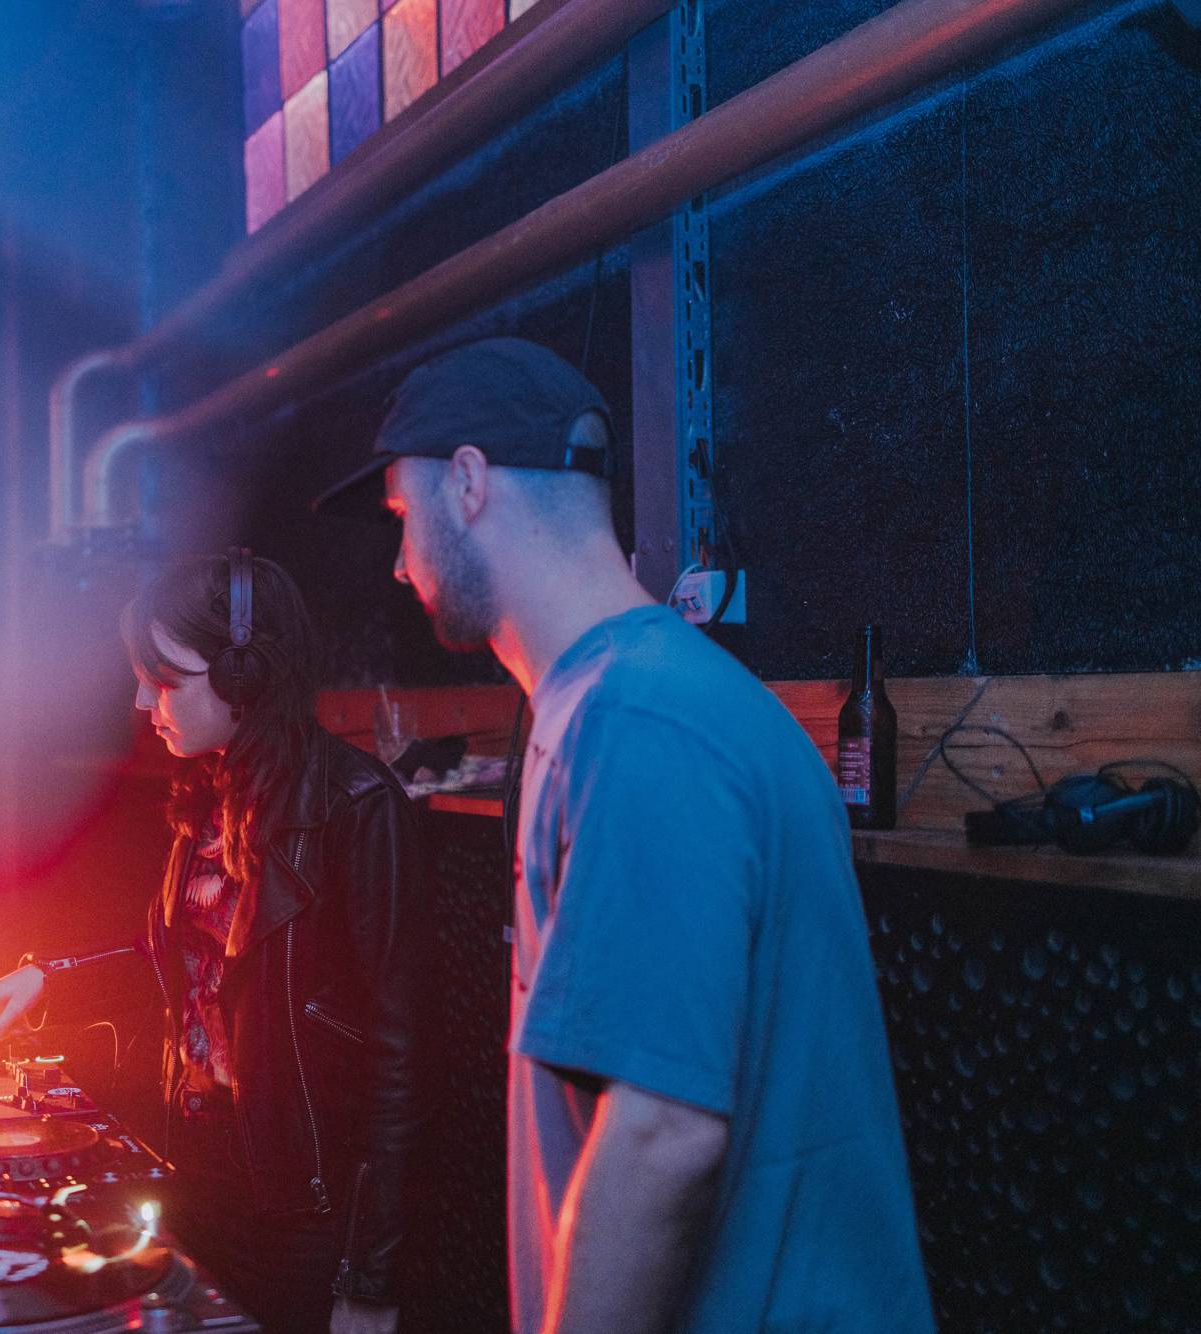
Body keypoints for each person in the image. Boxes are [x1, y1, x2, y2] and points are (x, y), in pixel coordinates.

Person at [314, 338, 933, 1333]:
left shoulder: (637, 720)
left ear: (467, 482)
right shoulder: (636, 698)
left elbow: (661, 1134)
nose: (398, 563)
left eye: (401, 516)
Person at [0, 552, 429, 1334]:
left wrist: (369, 1278)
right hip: (200, 1185)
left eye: (167, 681)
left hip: (302, 1217)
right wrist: (46, 980)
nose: (144, 703)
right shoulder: (210, 792)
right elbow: (176, 967)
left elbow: (401, 1065)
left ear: (246, 675)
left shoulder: (358, 806)